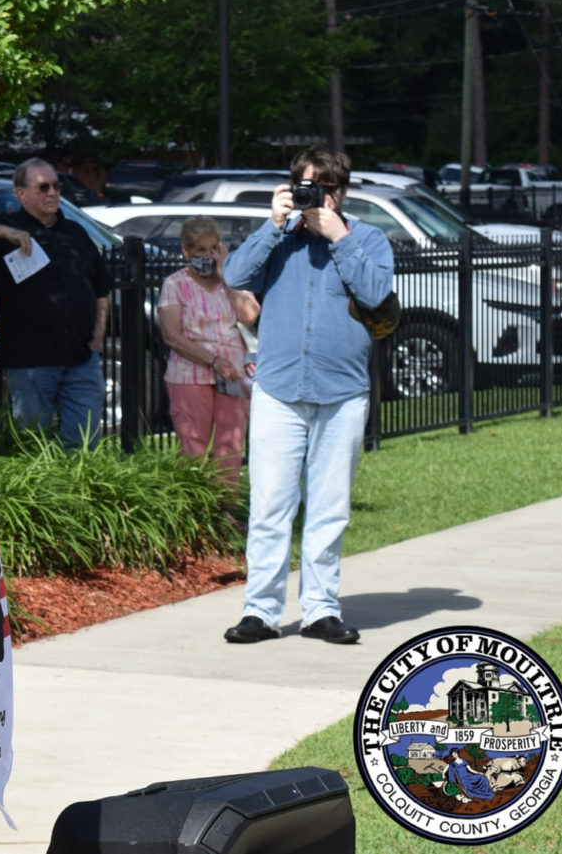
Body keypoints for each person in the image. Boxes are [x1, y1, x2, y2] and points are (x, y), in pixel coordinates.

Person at [222, 147, 393, 646]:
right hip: (279, 389)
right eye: (302, 185)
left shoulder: (368, 239)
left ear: (339, 193)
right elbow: (234, 277)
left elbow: (376, 293)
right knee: (271, 506)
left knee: (329, 508)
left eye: (320, 188)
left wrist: (338, 236)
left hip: (341, 393)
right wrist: (272, 224)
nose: (310, 196)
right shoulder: (279, 239)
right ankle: (261, 611)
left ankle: (320, 610)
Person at [0, 157, 111, 448]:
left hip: (82, 359)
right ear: (21, 194)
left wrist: (97, 336)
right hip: (31, 362)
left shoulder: (75, 233)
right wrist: (4, 232)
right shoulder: (7, 228)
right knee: (34, 442)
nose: (53, 193)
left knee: (84, 442)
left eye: (56, 186)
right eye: (43, 187)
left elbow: (101, 289)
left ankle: (78, 493)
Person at [155, 216, 259, 484]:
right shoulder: (175, 284)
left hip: (233, 375)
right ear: (186, 251)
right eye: (200, 250)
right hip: (190, 374)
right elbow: (172, 336)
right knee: (194, 449)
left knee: (230, 449)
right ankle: (194, 519)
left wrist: (228, 276)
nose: (207, 255)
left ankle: (228, 517)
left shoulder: (232, 280)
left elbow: (249, 315)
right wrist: (213, 361)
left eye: (212, 248)